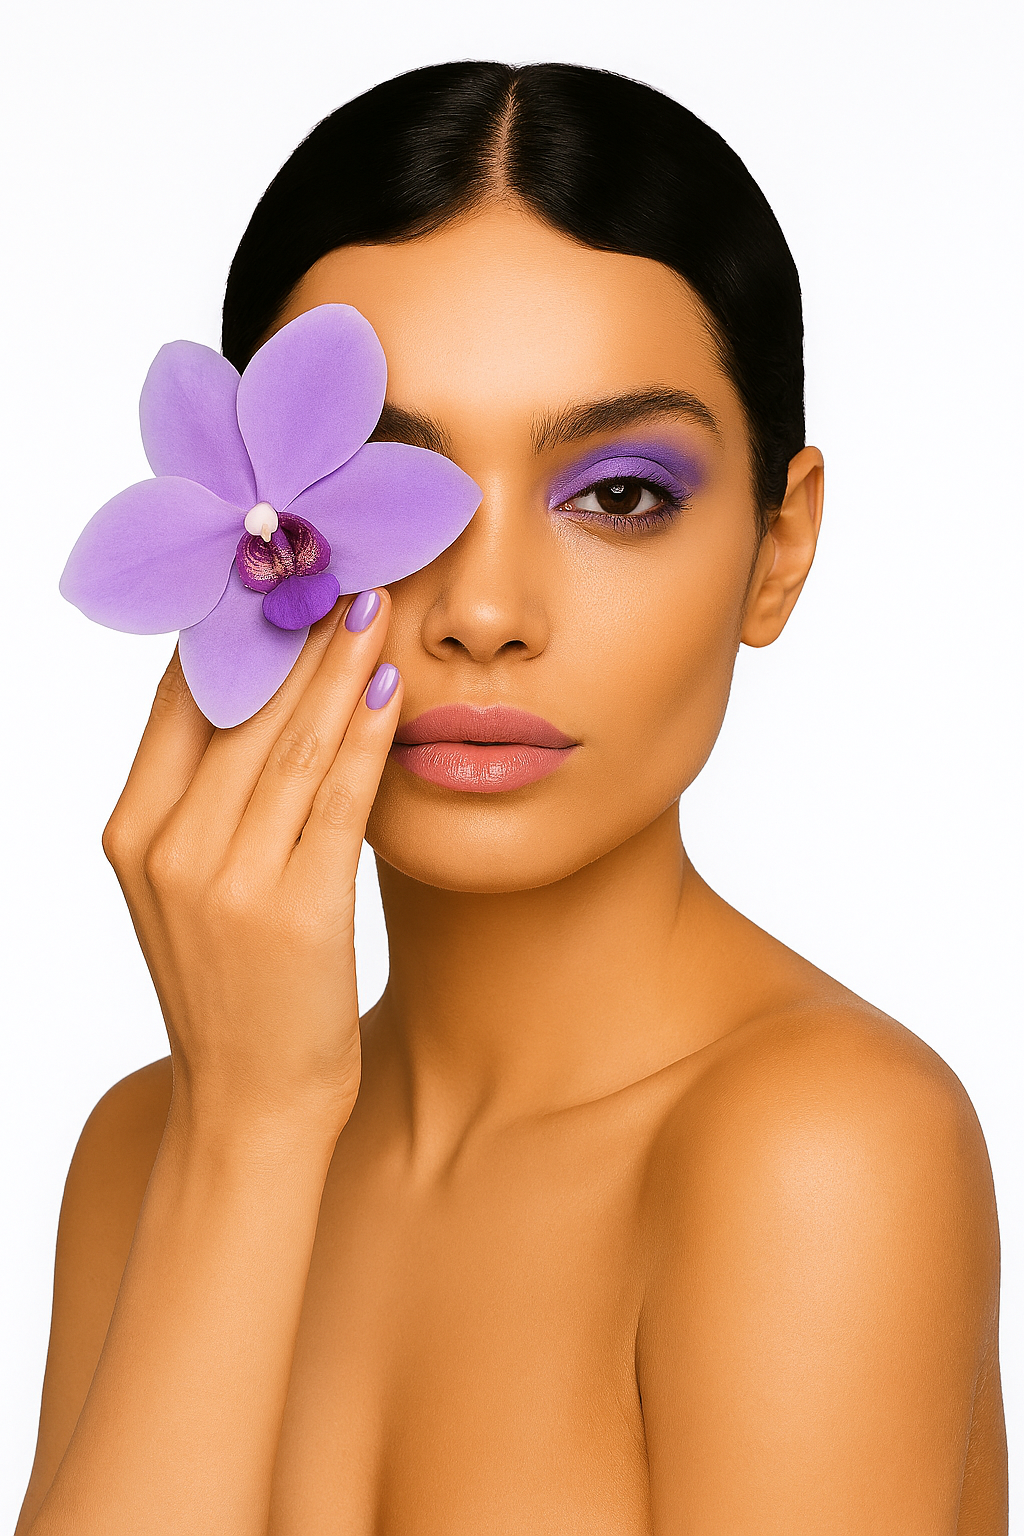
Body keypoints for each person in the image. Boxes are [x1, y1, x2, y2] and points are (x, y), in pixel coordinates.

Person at [16, 61, 1007, 1535]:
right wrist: (249, 1131)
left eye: (618, 493)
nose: (483, 612)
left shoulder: (823, 1151)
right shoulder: (151, 1148)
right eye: (383, 480)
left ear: (780, 547)